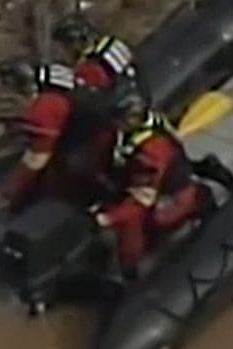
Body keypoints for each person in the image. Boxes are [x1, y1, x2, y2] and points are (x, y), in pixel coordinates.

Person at [93, 88, 219, 278]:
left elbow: (142, 200)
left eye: (117, 119)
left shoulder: (151, 151)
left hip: (166, 196)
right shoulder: (138, 129)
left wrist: (108, 218)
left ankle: (131, 271)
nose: (113, 124)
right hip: (142, 181)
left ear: (132, 118)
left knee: (134, 223)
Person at [0, 60, 114, 210]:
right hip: (100, 125)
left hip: (92, 146)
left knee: (56, 181)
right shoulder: (55, 73)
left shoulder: (46, 107)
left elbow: (37, 160)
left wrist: (9, 193)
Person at [53, 12, 138, 92]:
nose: (66, 50)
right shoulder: (113, 42)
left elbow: (94, 94)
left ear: (76, 40)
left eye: (66, 45)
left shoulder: (91, 63)